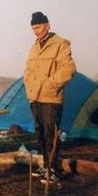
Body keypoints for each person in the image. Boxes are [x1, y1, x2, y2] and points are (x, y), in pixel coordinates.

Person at [24, 11, 76, 184]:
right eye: (33, 29)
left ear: (48, 25)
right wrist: (29, 85)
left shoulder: (60, 44)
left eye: (38, 27)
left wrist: (49, 84)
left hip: (51, 99)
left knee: (50, 134)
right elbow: (28, 71)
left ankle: (53, 170)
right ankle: (46, 166)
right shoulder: (33, 47)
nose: (36, 31)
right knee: (39, 134)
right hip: (35, 98)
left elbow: (68, 69)